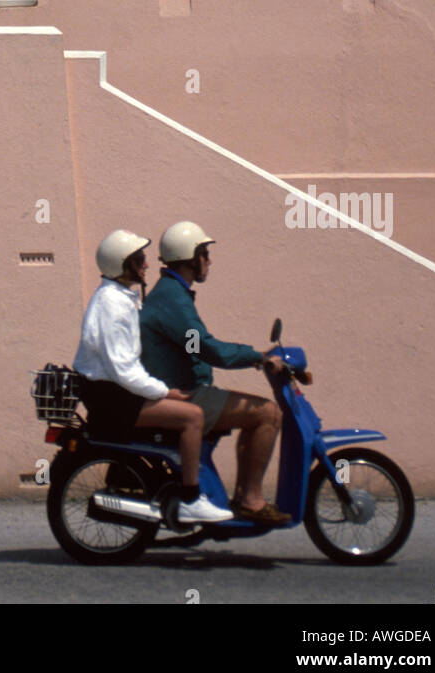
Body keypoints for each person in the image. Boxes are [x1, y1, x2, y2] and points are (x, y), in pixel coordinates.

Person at [73, 228, 233, 525]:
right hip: (113, 397)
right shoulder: (114, 303)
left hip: (117, 391)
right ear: (124, 265)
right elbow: (124, 368)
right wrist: (163, 391)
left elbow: (183, 343)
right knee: (193, 417)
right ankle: (190, 498)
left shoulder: (123, 297)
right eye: (139, 259)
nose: (147, 264)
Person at [140, 220, 291, 525]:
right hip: (185, 393)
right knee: (269, 414)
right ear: (191, 257)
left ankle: (240, 497)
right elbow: (203, 347)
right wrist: (257, 357)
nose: (209, 261)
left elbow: (194, 345)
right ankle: (251, 500)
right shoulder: (173, 300)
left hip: (187, 387)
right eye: (205, 254)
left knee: (256, 414)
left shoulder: (173, 294)